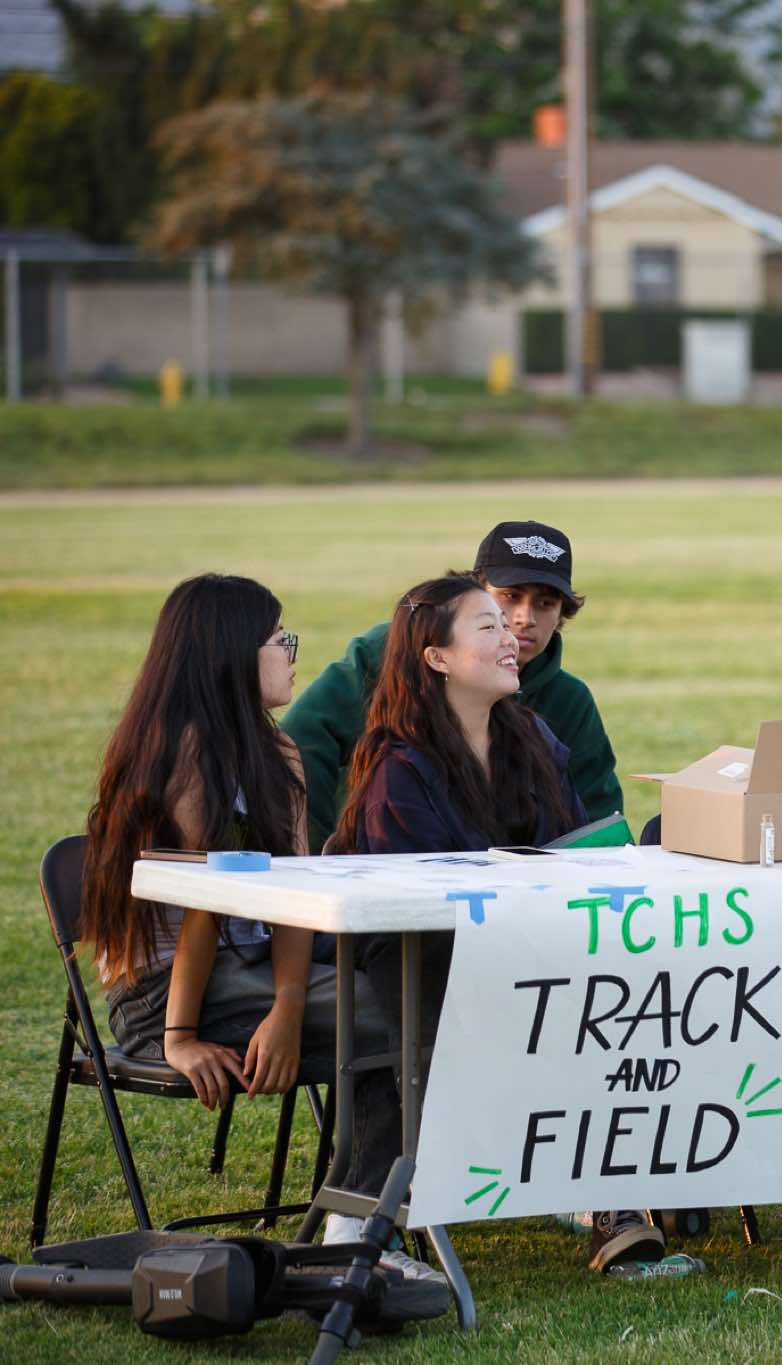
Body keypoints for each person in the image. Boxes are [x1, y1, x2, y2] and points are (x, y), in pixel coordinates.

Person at [80, 574, 421, 1280]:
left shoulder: (278, 753)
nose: (292, 654)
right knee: (405, 1014)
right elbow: (203, 907)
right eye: (278, 640)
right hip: (165, 995)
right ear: (231, 653)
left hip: (251, 973)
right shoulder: (183, 754)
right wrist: (178, 1036)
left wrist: (290, 1006)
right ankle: (358, 1237)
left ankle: (360, 1223)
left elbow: (293, 898)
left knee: (409, 991)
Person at [329, 573, 661, 1275]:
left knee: (636, 985)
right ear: (437, 657)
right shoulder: (399, 770)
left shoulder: (530, 737)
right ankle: (359, 1230)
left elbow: (573, 850)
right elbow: (417, 908)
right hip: (425, 963)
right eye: (489, 626)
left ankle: (615, 1190)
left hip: (523, 946)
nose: (512, 637)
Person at [284, 520, 620, 852]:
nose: (524, 619)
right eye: (509, 597)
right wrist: (316, 859)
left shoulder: (551, 720)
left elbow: (595, 826)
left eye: (546, 603)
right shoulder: (386, 661)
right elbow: (303, 738)